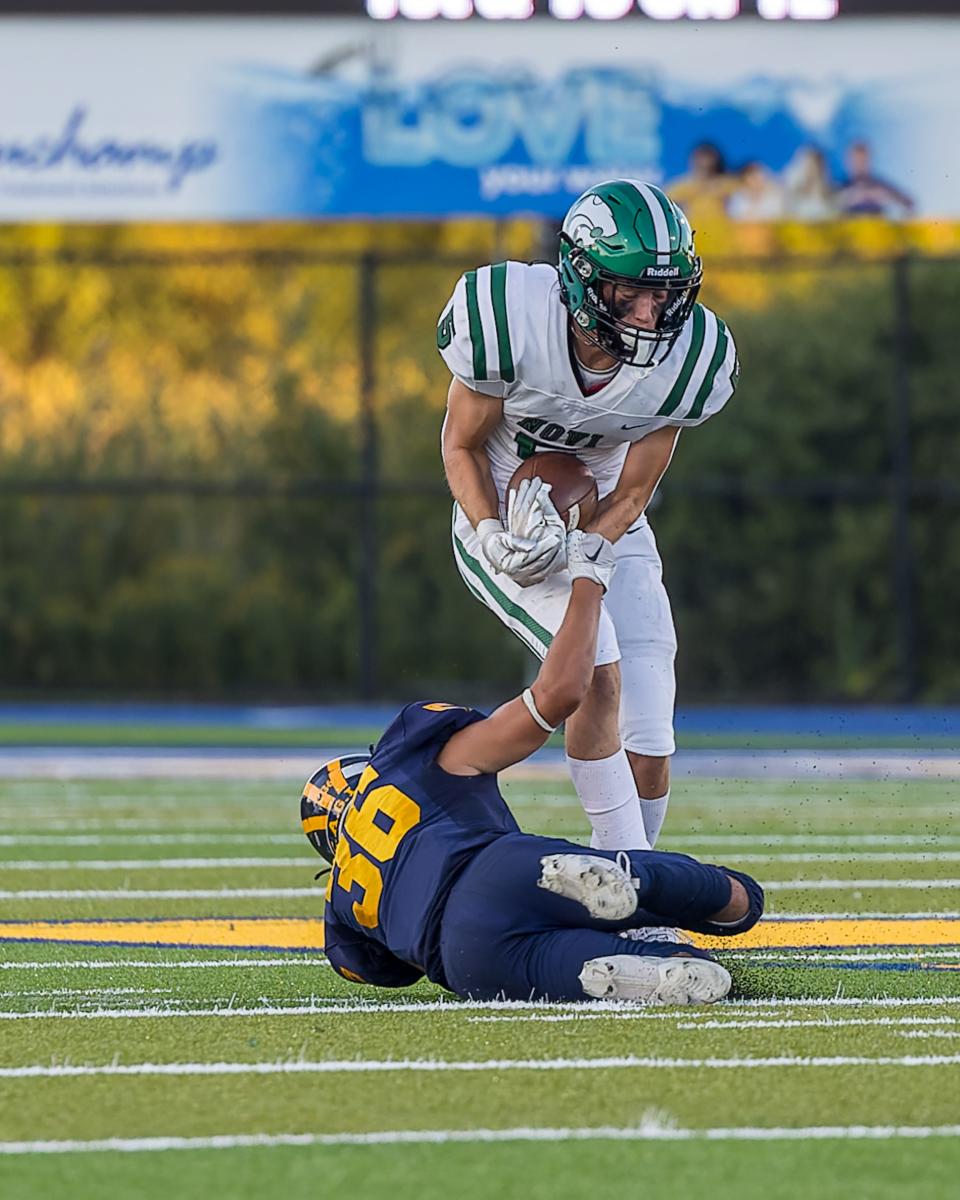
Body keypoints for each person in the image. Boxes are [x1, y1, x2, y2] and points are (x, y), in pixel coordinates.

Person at [303, 500, 763, 1005]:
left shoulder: (340, 907)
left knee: (581, 970)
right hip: (498, 873)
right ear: (364, 773)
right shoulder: (406, 762)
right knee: (727, 896)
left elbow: (380, 970)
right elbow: (554, 698)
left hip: (462, 958)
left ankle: (651, 971)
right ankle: (698, 903)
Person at [437, 179, 739, 856]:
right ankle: (629, 888)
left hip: (608, 523)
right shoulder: (510, 318)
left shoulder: (691, 361)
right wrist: (491, 531)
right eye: (628, 291)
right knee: (596, 672)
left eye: (664, 294)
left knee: (652, 730)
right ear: (578, 278)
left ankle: (635, 875)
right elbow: (459, 445)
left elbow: (634, 491)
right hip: (509, 523)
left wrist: (592, 550)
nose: (648, 312)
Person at [835, 141, 914, 219]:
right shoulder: (840, 188)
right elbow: (829, 207)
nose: (859, 164)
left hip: (878, 227)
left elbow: (909, 203)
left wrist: (885, 198)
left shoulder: (881, 187)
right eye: (855, 160)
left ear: (869, 160)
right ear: (847, 162)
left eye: (862, 160)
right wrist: (850, 198)